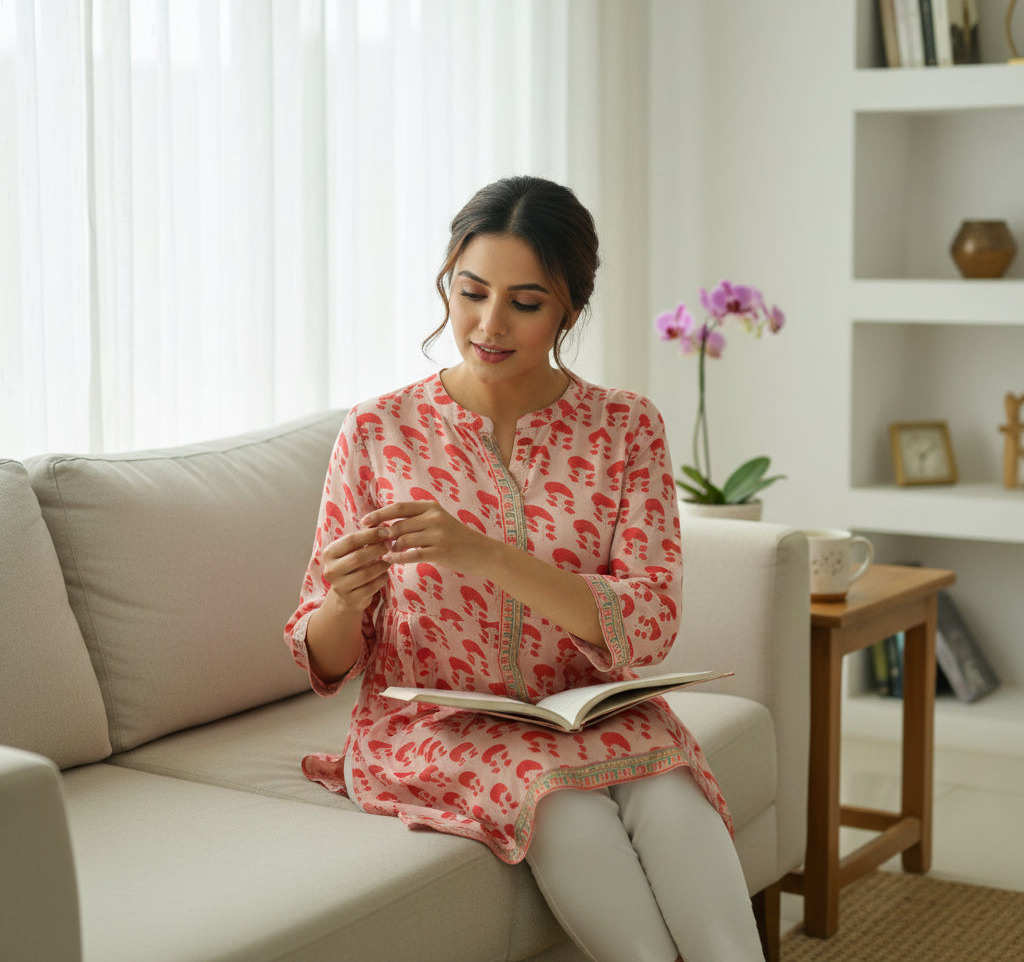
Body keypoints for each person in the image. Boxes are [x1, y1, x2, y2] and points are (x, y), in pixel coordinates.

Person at [284, 176, 765, 962]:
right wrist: (343, 599)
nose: (489, 324)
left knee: (675, 803)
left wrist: (482, 553)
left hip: (595, 713)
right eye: (471, 292)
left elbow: (650, 623)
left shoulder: (626, 427)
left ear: (570, 308)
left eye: (526, 302)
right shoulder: (378, 432)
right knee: (564, 808)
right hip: (439, 729)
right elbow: (326, 657)